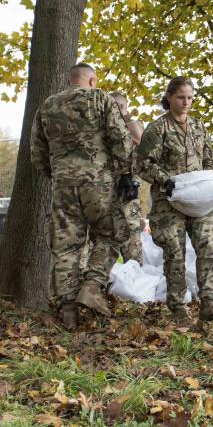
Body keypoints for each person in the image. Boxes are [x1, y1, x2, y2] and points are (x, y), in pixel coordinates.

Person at [30, 63, 137, 329]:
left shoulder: (48, 106)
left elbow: (38, 154)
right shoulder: (100, 98)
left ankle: (68, 311)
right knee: (114, 234)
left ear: (71, 80)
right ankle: (91, 286)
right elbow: (121, 140)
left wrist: (58, 175)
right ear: (92, 80)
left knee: (66, 246)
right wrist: (125, 173)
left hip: (63, 187)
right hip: (99, 185)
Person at [137, 76, 213, 326]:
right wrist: (165, 180)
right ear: (169, 97)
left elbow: (208, 161)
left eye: (190, 97)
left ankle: (210, 302)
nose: (186, 102)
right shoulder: (158, 129)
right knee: (175, 252)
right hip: (170, 199)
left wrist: (212, 183)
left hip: (198, 199)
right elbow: (142, 164)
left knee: (210, 245)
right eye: (181, 97)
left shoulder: (199, 127)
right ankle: (178, 307)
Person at [110, 91, 145, 264]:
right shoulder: (103, 127)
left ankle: (137, 284)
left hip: (128, 190)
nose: (117, 109)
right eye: (113, 105)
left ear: (125, 107)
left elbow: (143, 151)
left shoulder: (131, 125)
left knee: (132, 241)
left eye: (120, 106)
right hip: (106, 192)